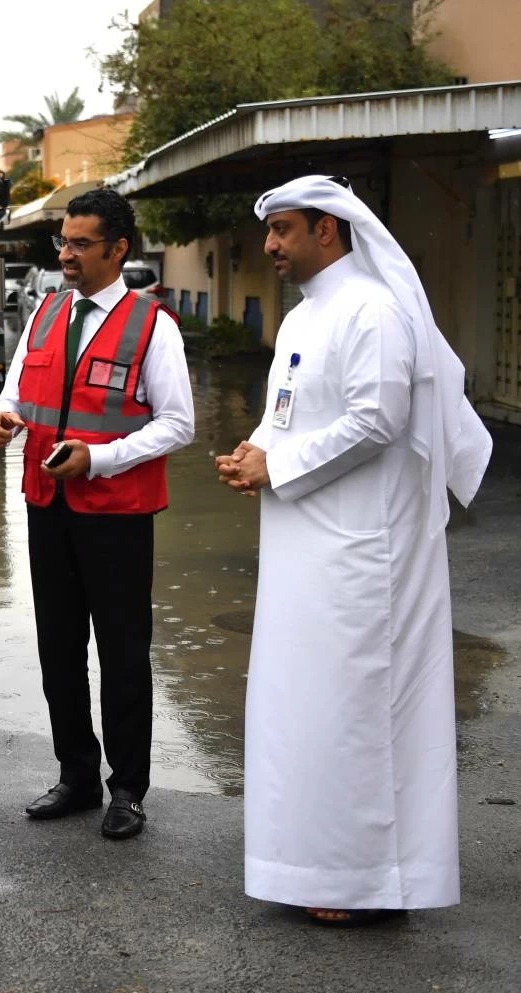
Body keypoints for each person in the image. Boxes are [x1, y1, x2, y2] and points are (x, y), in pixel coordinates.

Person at [217, 174, 492, 926]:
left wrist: (283, 465)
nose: (269, 245)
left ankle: (367, 879)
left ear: (327, 230)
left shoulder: (373, 309)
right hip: (307, 545)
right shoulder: (308, 316)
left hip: (363, 548)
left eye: (282, 230)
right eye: (269, 231)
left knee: (358, 706)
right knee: (306, 704)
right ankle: (313, 863)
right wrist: (256, 450)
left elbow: (378, 419)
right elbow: (291, 411)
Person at [0, 189, 194, 840]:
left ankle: (127, 788)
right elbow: (15, 390)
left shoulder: (152, 324)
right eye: (63, 242)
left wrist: (100, 459)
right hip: (48, 507)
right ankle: (76, 774)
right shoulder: (46, 312)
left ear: (118, 249)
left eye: (80, 244)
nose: (66, 255)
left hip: (117, 513)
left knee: (124, 654)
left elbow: (178, 425)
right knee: (58, 650)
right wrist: (1, 418)